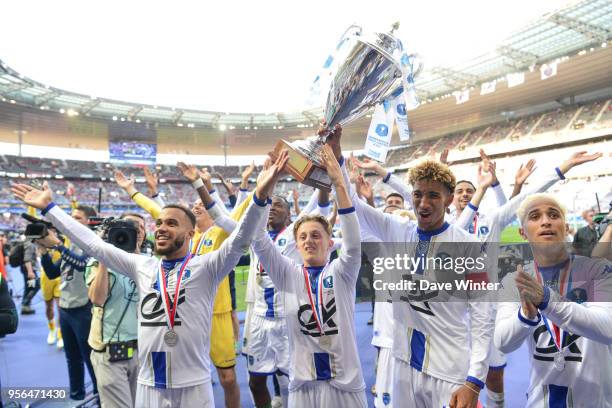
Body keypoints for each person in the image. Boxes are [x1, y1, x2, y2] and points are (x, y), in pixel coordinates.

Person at [11, 154, 279, 407]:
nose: (161, 227)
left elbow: (243, 235)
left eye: (172, 223)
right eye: (159, 223)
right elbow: (94, 244)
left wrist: (262, 193)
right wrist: (49, 208)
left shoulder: (208, 266)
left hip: (194, 387)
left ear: (190, 232)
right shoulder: (142, 266)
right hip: (148, 385)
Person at [329, 123, 491, 408]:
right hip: (405, 363)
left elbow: (482, 317)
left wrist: (474, 381)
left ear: (449, 199)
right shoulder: (398, 231)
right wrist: (338, 155)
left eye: (433, 195)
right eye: (418, 194)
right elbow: (352, 202)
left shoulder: (470, 247)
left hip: (449, 371)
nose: (423, 203)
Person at [181, 160, 333, 408]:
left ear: (290, 214)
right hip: (259, 318)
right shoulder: (254, 234)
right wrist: (198, 183)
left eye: (279, 205)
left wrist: (323, 177)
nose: (273, 207)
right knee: (255, 381)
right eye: (271, 203)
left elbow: (322, 206)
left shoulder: (297, 234)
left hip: (289, 317)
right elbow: (220, 216)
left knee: (290, 382)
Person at [115, 168, 245, 408]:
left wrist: (205, 186)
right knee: (183, 374)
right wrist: (134, 191)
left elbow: (239, 220)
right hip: (184, 318)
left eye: (201, 203)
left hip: (217, 314)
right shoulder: (183, 238)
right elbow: (158, 211)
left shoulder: (219, 233)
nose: (196, 206)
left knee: (227, 377)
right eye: (194, 204)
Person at [251, 145, 368, 407]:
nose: (308, 241)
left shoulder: (343, 272)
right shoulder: (287, 274)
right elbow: (257, 239)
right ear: (296, 244)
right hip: (304, 386)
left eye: (316, 235)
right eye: (302, 237)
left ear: (330, 243)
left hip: (345, 385)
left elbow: (353, 239)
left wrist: (339, 184)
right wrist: (264, 190)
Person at [494, 193, 612, 407]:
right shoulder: (515, 280)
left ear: (566, 228)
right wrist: (524, 317)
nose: (545, 221)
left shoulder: (598, 270)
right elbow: (503, 342)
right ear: (523, 232)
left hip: (595, 400)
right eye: (535, 216)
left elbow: (609, 329)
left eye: (553, 214)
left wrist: (548, 301)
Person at [36, 204, 99, 400]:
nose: (72, 221)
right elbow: (54, 272)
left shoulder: (93, 244)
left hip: (84, 309)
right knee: (72, 358)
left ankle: (100, 397)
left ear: (90, 222)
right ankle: (77, 396)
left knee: (91, 358)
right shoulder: (70, 243)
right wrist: (44, 252)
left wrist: (58, 245)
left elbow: (81, 265)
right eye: (71, 217)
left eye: (77, 218)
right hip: (65, 308)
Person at [84, 213, 146, 408]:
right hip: (110, 350)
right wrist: (105, 256)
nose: (136, 230)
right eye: (130, 226)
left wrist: (136, 255)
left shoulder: (148, 264)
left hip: (142, 349)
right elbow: (97, 299)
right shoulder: (97, 262)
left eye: (140, 227)